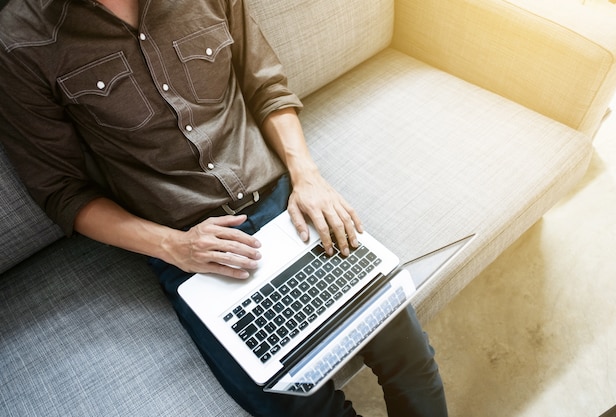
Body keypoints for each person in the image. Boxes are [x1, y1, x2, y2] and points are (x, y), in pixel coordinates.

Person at [0, 0, 448, 415]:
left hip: (283, 200)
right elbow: (62, 191)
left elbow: (267, 86)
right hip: (191, 246)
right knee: (291, 403)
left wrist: (307, 176)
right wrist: (175, 247)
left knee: (407, 355)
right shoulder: (20, 39)